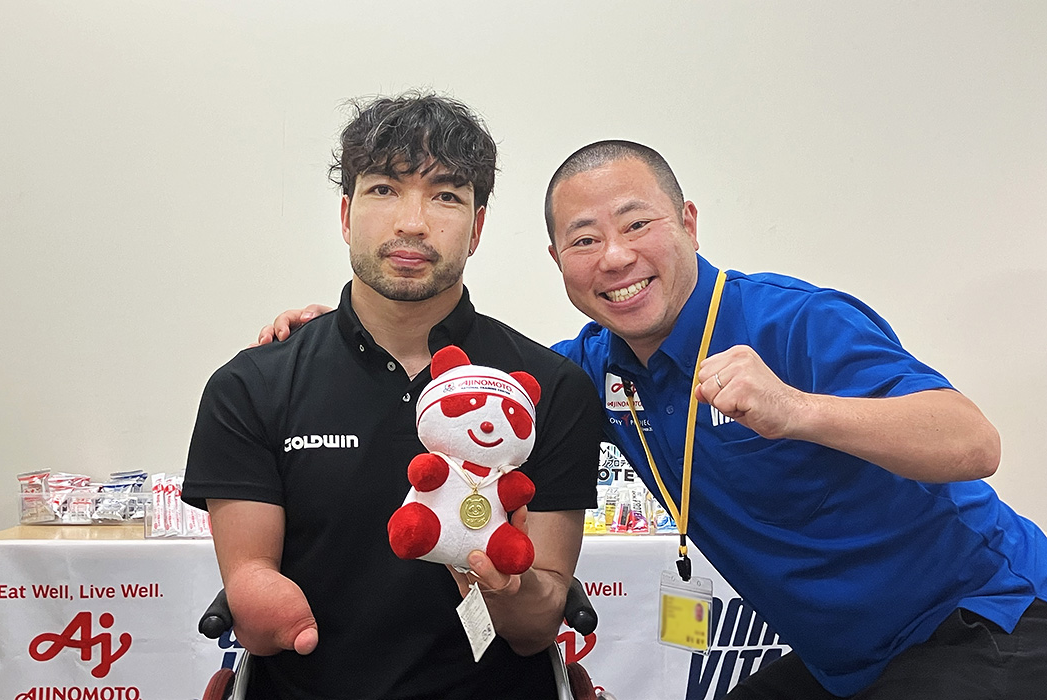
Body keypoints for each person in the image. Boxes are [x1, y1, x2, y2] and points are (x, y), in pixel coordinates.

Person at [265, 139, 1047, 699]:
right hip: (846, 661)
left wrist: (799, 410)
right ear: (558, 262)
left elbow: (972, 442)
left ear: (689, 223)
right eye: (584, 239)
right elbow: (468, 382)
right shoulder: (591, 369)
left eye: (637, 224)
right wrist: (341, 338)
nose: (614, 257)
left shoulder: (791, 321)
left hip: (986, 622)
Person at [182, 93, 603, 700]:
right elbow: (250, 576)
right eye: (385, 190)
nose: (413, 222)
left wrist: (511, 587)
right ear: (347, 214)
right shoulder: (252, 386)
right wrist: (261, 601)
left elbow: (537, 628)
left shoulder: (547, 390)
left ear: (477, 227)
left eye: (446, 195)